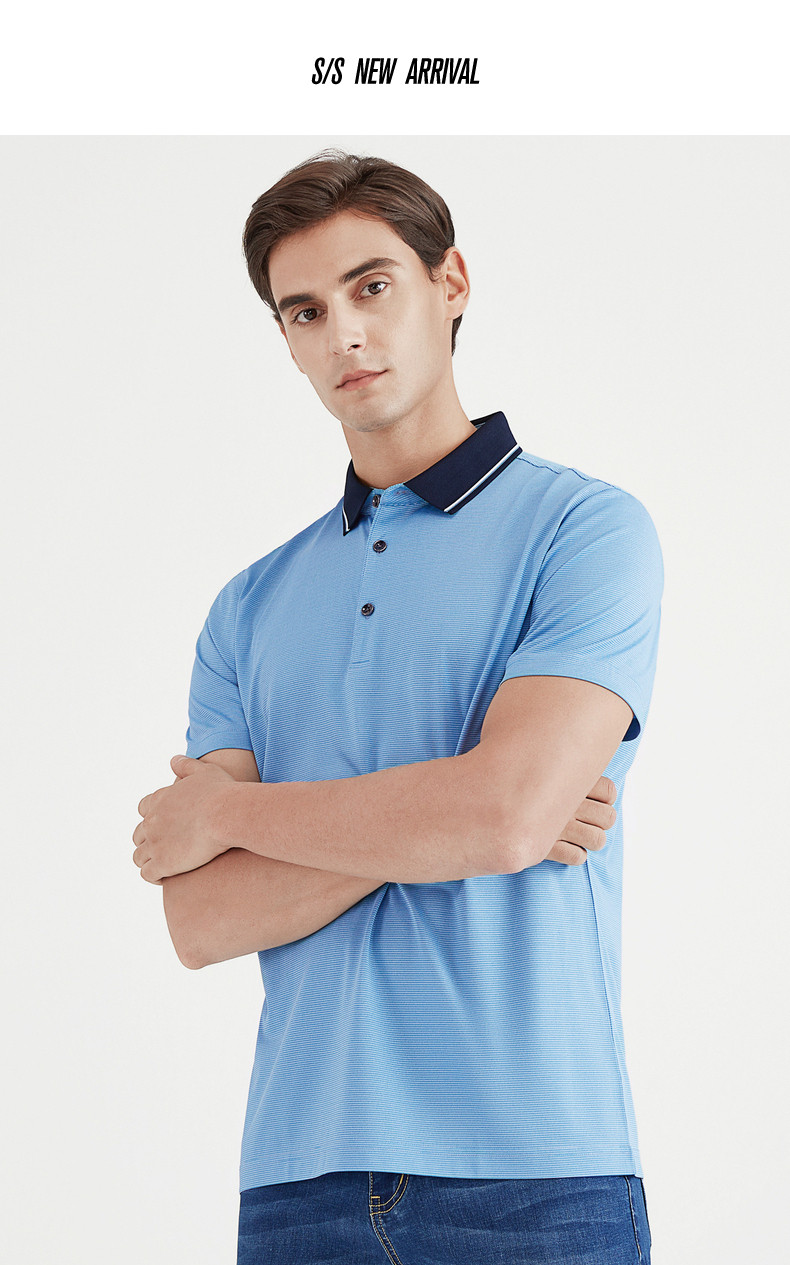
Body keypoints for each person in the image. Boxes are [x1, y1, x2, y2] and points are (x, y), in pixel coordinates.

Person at [133, 149, 662, 1263]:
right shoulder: (248, 606)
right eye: (305, 311)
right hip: (298, 1182)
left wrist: (227, 817)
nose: (345, 334)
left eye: (371, 286)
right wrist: (457, 815)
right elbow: (202, 920)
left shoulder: (584, 530)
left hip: (533, 1174)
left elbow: (505, 817)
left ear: (449, 282)